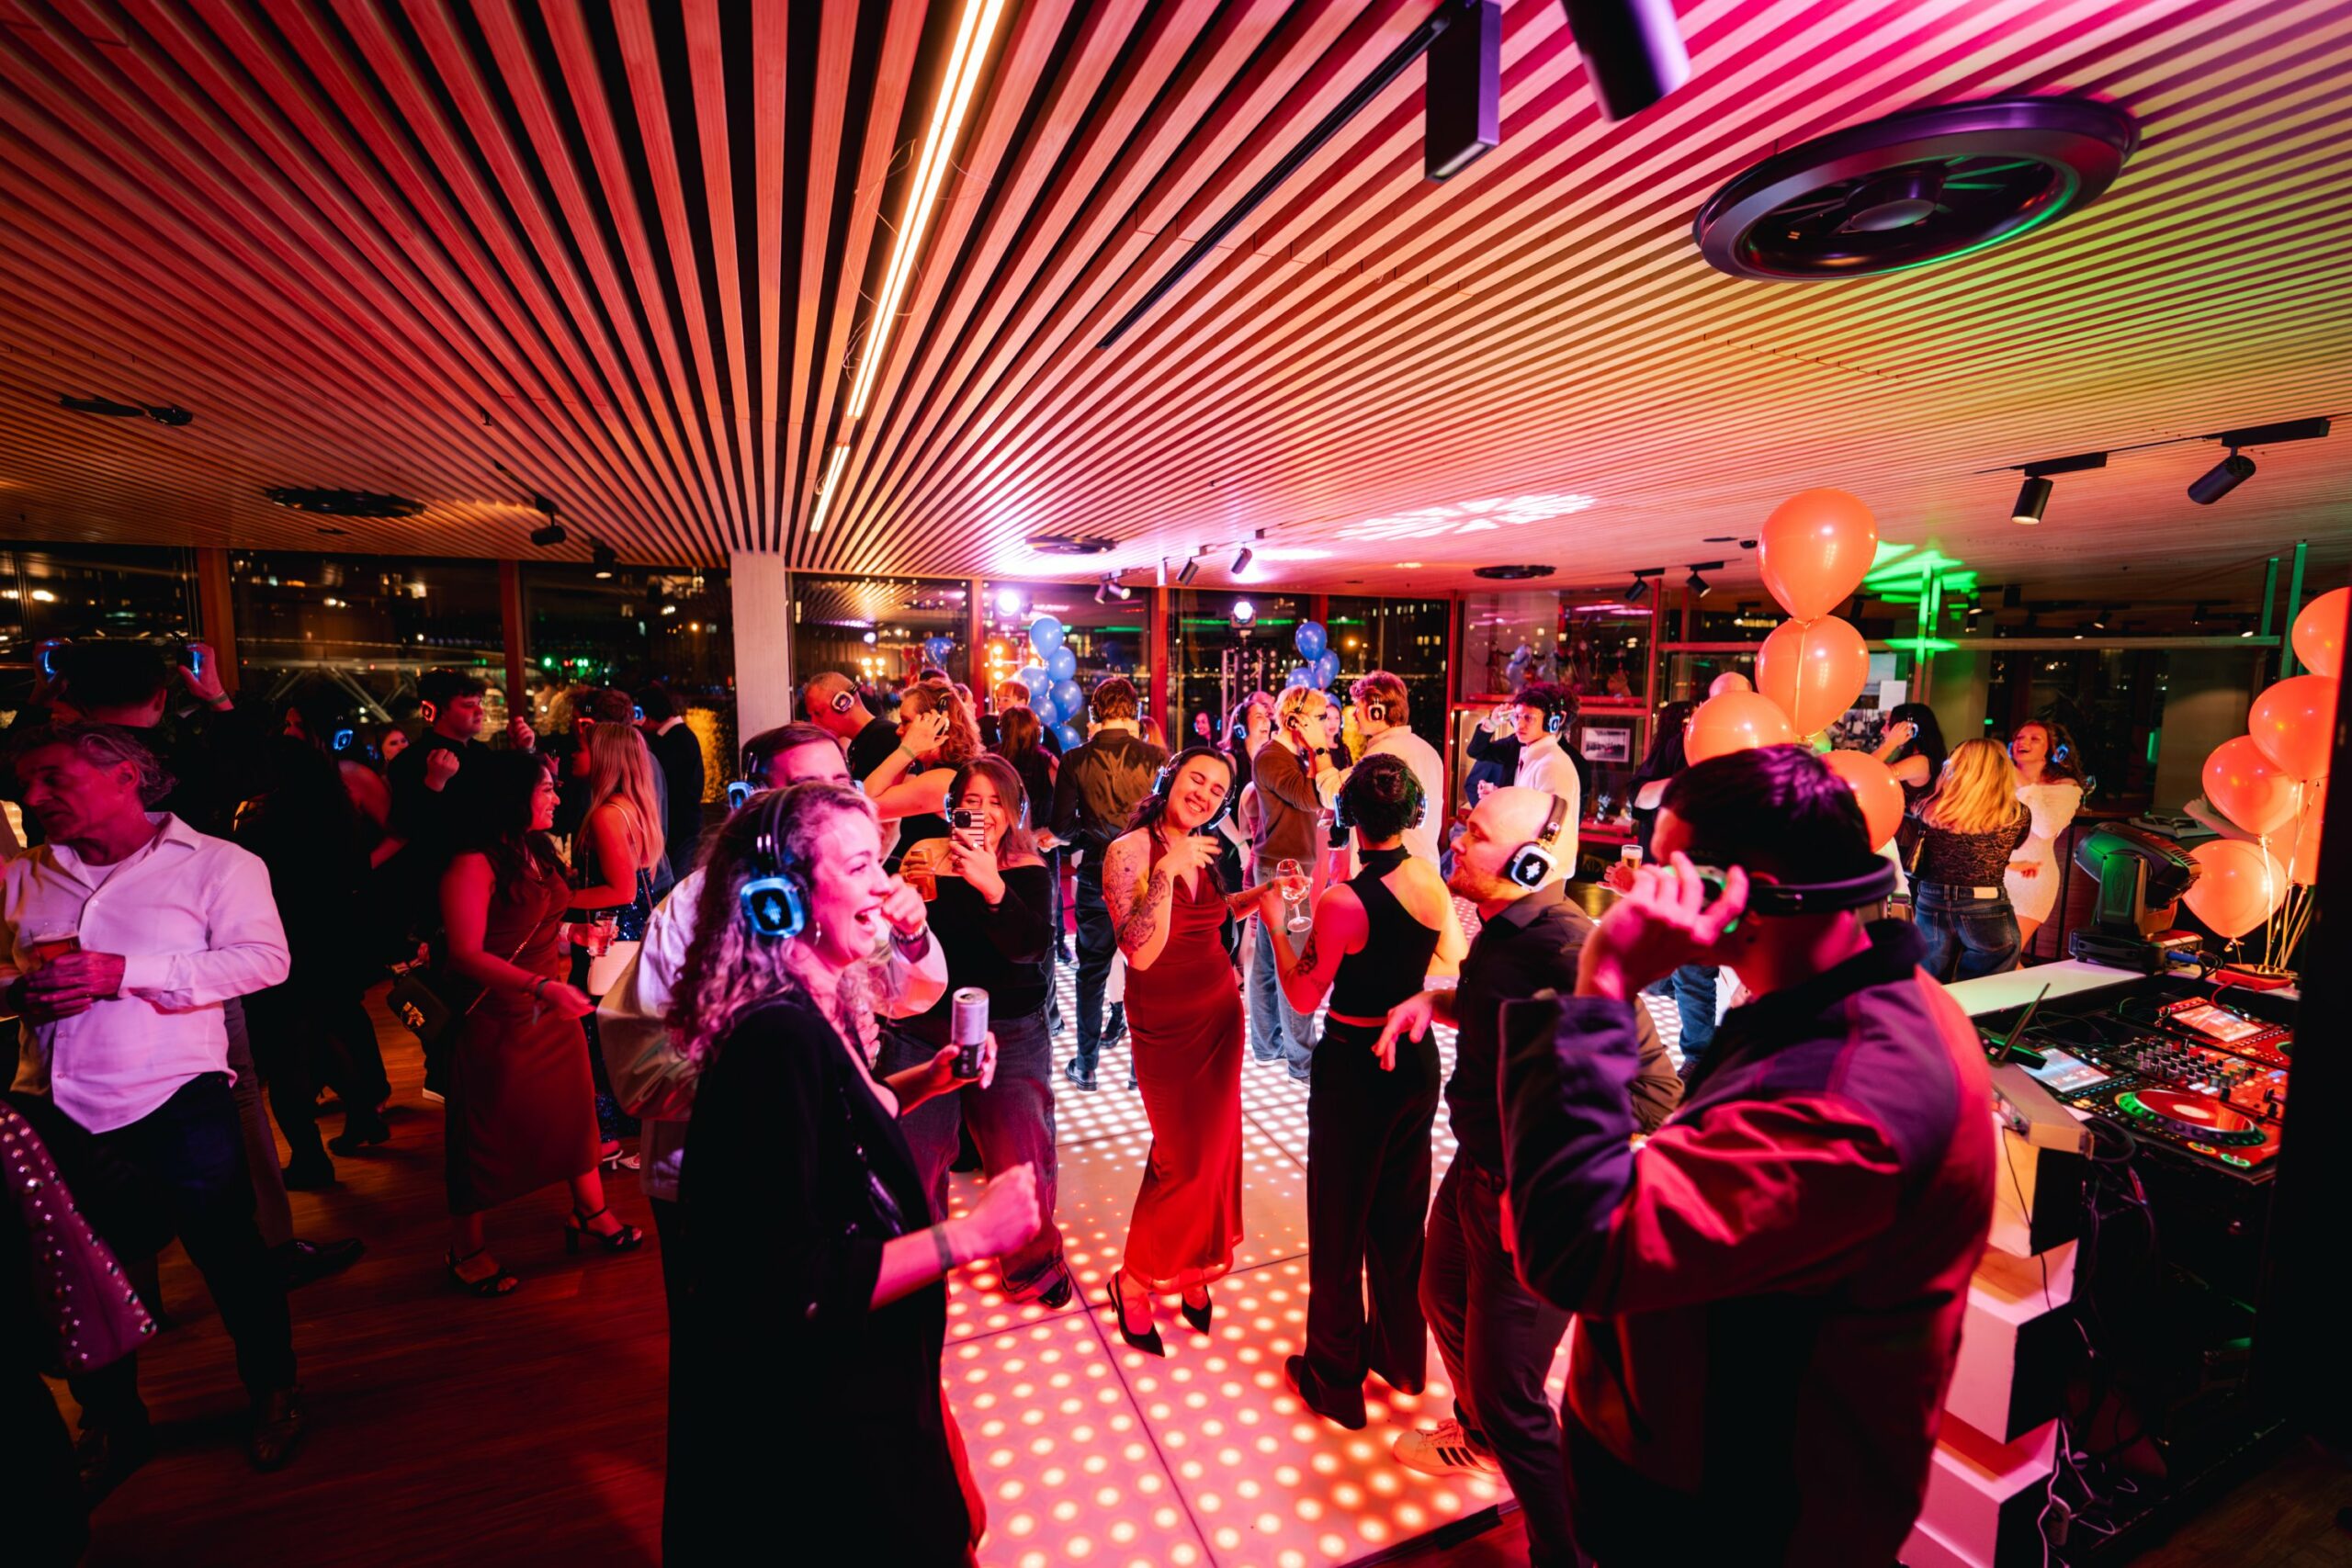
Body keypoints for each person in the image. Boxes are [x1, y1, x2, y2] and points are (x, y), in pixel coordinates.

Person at [1499, 744, 1996, 1564]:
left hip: (1732, 1521)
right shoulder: (1846, 1000)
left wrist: (1605, 981)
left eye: (1667, 873)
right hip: (1706, 1475)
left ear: (1740, 895)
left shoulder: (1847, 1102)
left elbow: (1571, 1251)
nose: (1642, 892)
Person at [666, 782, 1038, 1562]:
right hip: (832, 1410)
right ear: (782, 898)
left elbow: (839, 1120)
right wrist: (971, 1236)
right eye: (861, 866)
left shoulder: (809, 1005)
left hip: (868, 1377)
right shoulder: (776, 1038)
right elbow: (794, 1280)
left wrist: (930, 1077)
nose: (885, 884)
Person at [1376, 787, 1679, 1565]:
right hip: (1476, 1171)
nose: (1457, 839)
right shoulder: (1504, 931)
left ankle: (1562, 1549)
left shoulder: (1565, 947)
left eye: (1475, 834)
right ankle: (1479, 1437)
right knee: (1438, 1295)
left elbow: (1654, 1093)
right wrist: (1433, 1000)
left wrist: (1549, 1166)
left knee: (1511, 1394)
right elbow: (1497, 1007)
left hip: (1534, 1196)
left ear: (1529, 862)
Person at [1, 724, 302, 1485]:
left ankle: (274, 1390)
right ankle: (113, 1421)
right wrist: (18, 991)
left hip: (177, 1098)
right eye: (25, 781)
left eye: (51, 777)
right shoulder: (22, 875)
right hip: (54, 1107)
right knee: (76, 1276)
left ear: (126, 776)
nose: (31, 796)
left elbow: (265, 960)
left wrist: (124, 971)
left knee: (231, 1257)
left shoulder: (218, 864)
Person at [1260, 756, 1466, 1427]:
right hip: (1415, 1059)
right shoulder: (1429, 880)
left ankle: (1335, 1380)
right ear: (1411, 814)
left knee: (1338, 1225)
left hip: (1354, 1066)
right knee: (1401, 1218)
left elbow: (1302, 994)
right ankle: (1402, 1360)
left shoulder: (1343, 903)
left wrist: (1276, 923)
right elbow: (1450, 959)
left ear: (1348, 814)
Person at [437, 752, 641, 1298]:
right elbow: (465, 953)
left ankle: (590, 1211)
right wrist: (541, 986)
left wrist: (572, 936)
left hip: (551, 1009)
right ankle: (466, 1248)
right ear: (510, 796)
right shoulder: (472, 862)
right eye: (546, 788)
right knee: (483, 1132)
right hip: (498, 1016)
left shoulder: (532, 849)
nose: (557, 797)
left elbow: (536, 919)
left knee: (575, 1117)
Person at [883, 756, 1069, 1304]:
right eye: (971, 802)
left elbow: (1031, 949)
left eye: (996, 803)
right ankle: (919, 1277)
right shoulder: (925, 854)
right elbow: (907, 937)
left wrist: (993, 888)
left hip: (1011, 1027)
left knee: (1022, 1152)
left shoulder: (1028, 866)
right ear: (952, 809)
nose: (983, 813)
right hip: (923, 1026)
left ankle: (1032, 1263)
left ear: (1014, 811)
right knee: (913, 1155)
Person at [1101, 748, 1263, 1354]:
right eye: (1197, 778)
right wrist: (1167, 870)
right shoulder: (1129, 852)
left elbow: (1213, 916)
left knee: (1214, 1154)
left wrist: (1266, 890)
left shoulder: (1207, 847)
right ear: (1170, 778)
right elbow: (1140, 951)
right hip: (1166, 1024)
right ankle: (1133, 1278)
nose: (1206, 793)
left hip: (1220, 1011)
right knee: (1182, 1159)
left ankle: (1192, 1263)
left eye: (1219, 789)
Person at [237, 693, 395, 1189]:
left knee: (287, 1051)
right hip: (333, 930)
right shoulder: (334, 800)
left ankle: (310, 1158)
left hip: (285, 938)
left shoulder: (264, 820)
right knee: (328, 1027)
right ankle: (364, 1112)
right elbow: (358, 864)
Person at [1051, 677, 1167, 1090]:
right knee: (1143, 970)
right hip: (1143, 874)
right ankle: (1140, 1069)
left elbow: (1061, 828)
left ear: (1095, 712)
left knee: (1092, 971)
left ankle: (1086, 1066)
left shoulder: (1075, 760)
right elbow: (1163, 821)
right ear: (1134, 711)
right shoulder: (1156, 757)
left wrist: (1089, 836)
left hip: (1097, 874)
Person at [565, 722, 668, 1164]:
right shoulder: (635, 807)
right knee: (624, 1034)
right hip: (633, 932)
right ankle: (628, 1128)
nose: (572, 755)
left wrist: (560, 900)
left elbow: (622, 891)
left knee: (595, 1036)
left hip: (611, 936)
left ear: (604, 757)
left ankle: (605, 1136)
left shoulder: (607, 814)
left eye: (580, 748)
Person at [1616, 700, 1719, 1074]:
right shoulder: (1681, 745)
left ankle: (1699, 1059)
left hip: (1712, 880)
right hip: (1666, 876)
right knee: (1657, 974)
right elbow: (1639, 797)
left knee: (1694, 972)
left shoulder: (1754, 757)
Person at [1247, 686, 1336, 1079]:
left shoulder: (1285, 756)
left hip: (1282, 868)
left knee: (1269, 962)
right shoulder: (1272, 756)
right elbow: (1310, 799)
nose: (1325, 726)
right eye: (1319, 718)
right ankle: (1302, 1061)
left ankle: (1268, 1046)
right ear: (1295, 720)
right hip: (1284, 872)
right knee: (1294, 965)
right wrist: (1320, 750)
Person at [1913, 739, 2033, 981]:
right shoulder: (2016, 814)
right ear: (2001, 769)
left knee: (1930, 982)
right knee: (1987, 983)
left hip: (1931, 899)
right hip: (1984, 903)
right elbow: (1990, 853)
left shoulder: (1927, 806)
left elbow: (1950, 854)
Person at [1314, 672, 1448, 866]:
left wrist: (1318, 745)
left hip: (1390, 872)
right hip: (1424, 868)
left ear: (1376, 711)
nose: (1354, 714)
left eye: (1358, 707)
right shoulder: (1428, 750)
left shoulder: (1383, 754)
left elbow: (1331, 792)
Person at [860, 680, 981, 867]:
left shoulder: (942, 780)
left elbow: (863, 805)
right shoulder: (949, 770)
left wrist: (907, 750)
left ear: (938, 725)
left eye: (906, 721)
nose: (899, 730)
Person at [2006, 719, 2086, 951]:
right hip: (1994, 873)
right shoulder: (1999, 781)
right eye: (2019, 737)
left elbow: (2046, 828)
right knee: (1988, 960)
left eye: (2034, 739)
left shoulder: (2065, 787)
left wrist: (2025, 785)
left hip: (2030, 879)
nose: (2023, 742)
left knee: (2006, 954)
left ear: (2051, 749)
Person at [638, 686, 707, 883]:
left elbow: (661, 782)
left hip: (681, 827)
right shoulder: (679, 737)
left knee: (677, 884)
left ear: (650, 715)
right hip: (683, 825)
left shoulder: (676, 740)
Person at [1873, 701, 1949, 861]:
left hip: (1905, 841)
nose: (1883, 729)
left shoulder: (1921, 762)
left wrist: (1890, 744)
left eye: (1889, 724)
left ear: (1910, 729)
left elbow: (1868, 771)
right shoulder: (1916, 758)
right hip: (1900, 837)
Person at [802, 670, 902, 783]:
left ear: (843, 702)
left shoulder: (887, 737)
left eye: (818, 713)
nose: (814, 723)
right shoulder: (859, 743)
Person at [1509, 682, 1582, 829]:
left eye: (1529, 718)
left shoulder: (1552, 764)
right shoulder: (1539, 758)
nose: (1519, 725)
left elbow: (1552, 829)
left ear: (1551, 723)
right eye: (1517, 717)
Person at [1463, 701, 1522, 813]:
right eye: (1519, 717)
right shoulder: (1506, 746)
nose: (1522, 724)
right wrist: (1487, 811)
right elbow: (1471, 785)